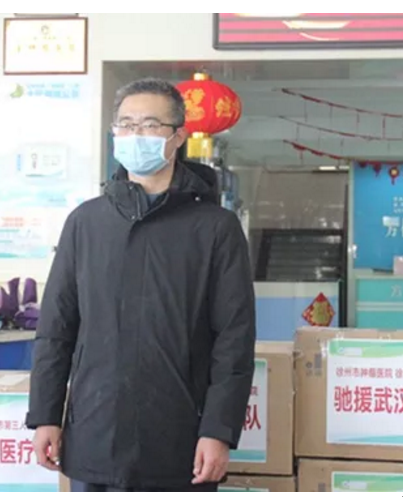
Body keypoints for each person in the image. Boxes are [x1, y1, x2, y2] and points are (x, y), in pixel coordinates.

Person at [26, 78, 256, 492]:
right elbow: (56, 329)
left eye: (150, 125)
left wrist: (218, 430)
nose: (136, 135)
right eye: (127, 125)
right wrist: (45, 415)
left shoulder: (214, 228)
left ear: (178, 136)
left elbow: (234, 339)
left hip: (180, 438)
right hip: (94, 430)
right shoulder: (86, 223)